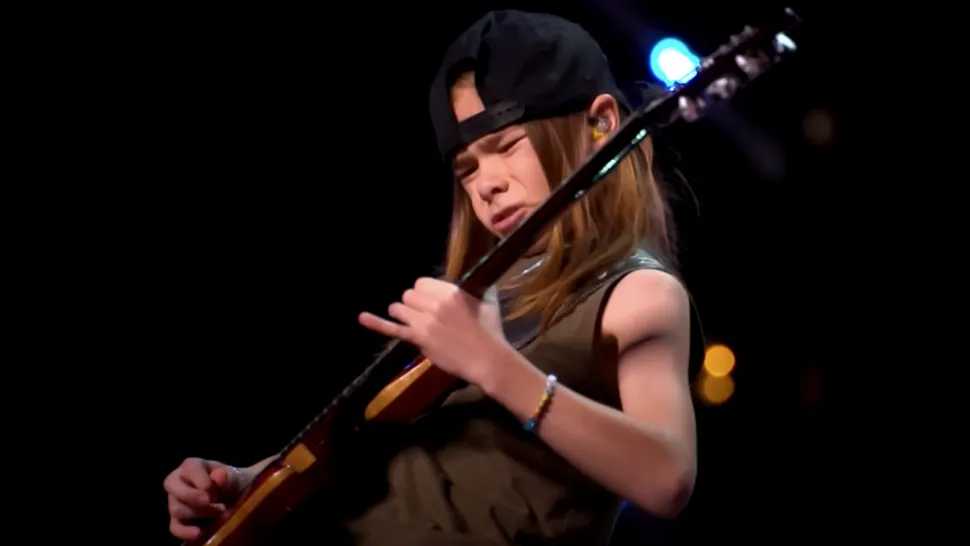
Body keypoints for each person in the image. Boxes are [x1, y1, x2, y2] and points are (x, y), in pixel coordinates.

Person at [164, 9, 700, 545]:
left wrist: (494, 365)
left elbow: (667, 478)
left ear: (600, 123)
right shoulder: (482, 296)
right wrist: (240, 483)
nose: (487, 184)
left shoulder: (638, 293)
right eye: (467, 169)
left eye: (507, 146)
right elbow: (366, 448)